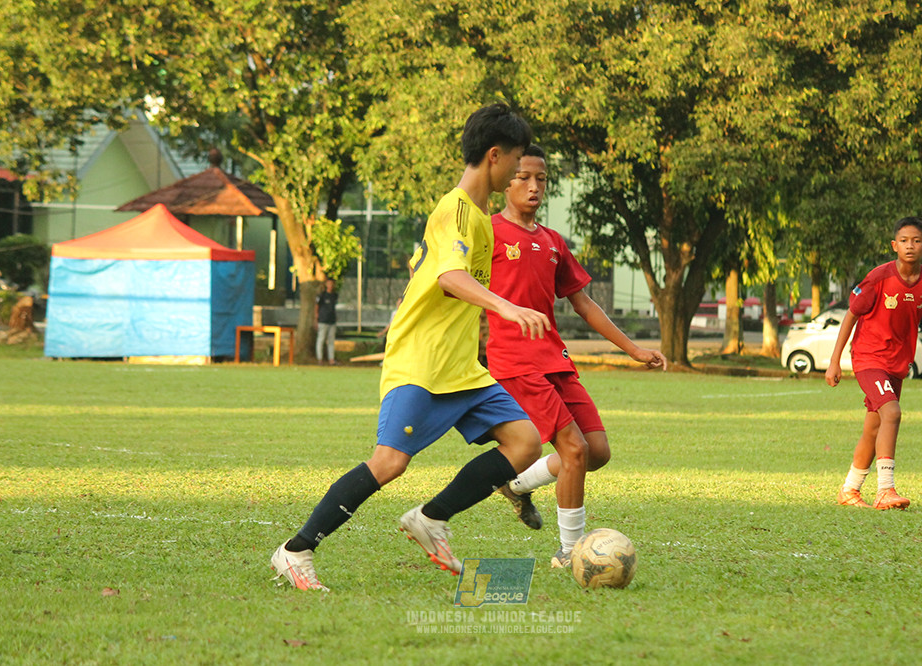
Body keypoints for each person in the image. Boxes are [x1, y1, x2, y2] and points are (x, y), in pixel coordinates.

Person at [270, 103, 550, 590]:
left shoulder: (477, 218)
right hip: (422, 360)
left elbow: (431, 274)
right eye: (517, 161)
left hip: (459, 365)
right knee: (389, 463)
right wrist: (506, 308)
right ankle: (296, 551)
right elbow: (449, 276)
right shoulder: (457, 209)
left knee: (525, 442)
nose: (519, 172)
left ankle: (431, 517)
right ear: (495, 157)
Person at [485, 144, 667, 567]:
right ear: (505, 180)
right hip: (515, 362)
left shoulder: (552, 242)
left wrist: (635, 350)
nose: (534, 187)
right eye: (523, 177)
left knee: (597, 452)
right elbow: (455, 284)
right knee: (574, 451)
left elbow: (583, 304)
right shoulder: (488, 232)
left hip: (555, 359)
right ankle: (571, 553)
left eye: (541, 179)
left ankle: (515, 485)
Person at [827, 216, 922, 511]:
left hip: (897, 364)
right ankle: (885, 489)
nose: (910, 246)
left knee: (875, 427)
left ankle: (850, 490)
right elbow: (852, 314)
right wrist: (835, 361)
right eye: (904, 241)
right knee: (892, 413)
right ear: (894, 245)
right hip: (868, 357)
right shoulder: (878, 277)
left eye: (916, 241)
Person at [315, 277, 338, 365]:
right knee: (321, 339)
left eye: (332, 284)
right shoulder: (322, 295)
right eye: (329, 283)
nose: (331, 285)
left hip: (332, 321)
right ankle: (319, 359)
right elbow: (316, 306)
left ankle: (331, 359)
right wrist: (316, 318)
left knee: (331, 341)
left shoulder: (334, 295)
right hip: (323, 320)